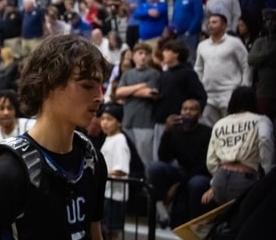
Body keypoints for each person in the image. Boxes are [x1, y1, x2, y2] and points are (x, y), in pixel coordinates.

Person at [0, 35, 110, 240]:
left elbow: (94, 231)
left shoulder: (93, 160)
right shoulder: (8, 173)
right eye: (87, 85)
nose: (100, 97)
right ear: (48, 85)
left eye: (101, 86)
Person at [146, 99, 212, 229]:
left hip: (201, 173)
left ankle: (195, 226)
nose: (187, 112)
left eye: (192, 109)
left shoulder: (207, 133)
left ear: (200, 113)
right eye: (184, 109)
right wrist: (167, 132)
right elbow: (163, 157)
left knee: (195, 183)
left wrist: (178, 186)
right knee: (154, 168)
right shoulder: (175, 131)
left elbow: (203, 165)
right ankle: (161, 210)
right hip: (182, 172)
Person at [203, 86, 273, 206]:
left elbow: (211, 159)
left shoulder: (220, 123)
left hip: (220, 177)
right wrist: (268, 172)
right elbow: (265, 139)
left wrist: (216, 178)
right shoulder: (261, 120)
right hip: (245, 178)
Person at [194, 14, 250, 126]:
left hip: (229, 92)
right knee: (210, 129)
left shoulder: (234, 43)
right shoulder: (202, 45)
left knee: (230, 127)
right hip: (208, 95)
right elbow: (198, 68)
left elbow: (246, 64)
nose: (210, 25)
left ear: (224, 25)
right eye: (209, 23)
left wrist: (244, 86)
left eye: (214, 22)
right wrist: (200, 87)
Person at [98, 103, 130, 240]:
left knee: (112, 232)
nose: (104, 123)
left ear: (119, 122)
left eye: (109, 119)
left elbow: (121, 169)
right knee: (105, 230)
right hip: (106, 193)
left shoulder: (119, 140)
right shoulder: (109, 138)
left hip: (115, 195)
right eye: (103, 118)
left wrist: (102, 173)